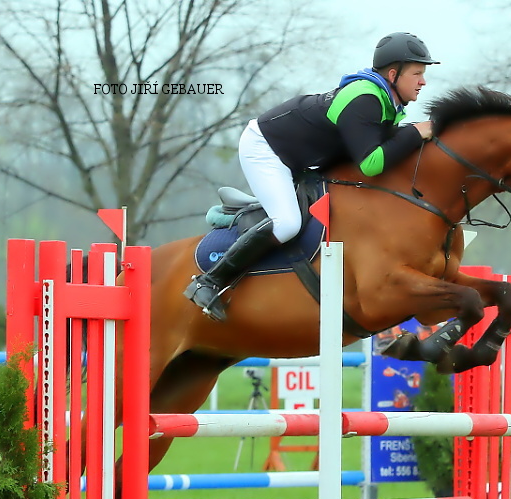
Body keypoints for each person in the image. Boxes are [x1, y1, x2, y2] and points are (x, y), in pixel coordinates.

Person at [186, 32, 439, 322]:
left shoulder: (383, 100)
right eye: (417, 73)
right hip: (266, 149)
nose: (423, 81)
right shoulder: (366, 98)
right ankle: (209, 282)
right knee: (287, 223)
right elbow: (371, 163)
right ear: (393, 74)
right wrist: (414, 132)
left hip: (299, 158)